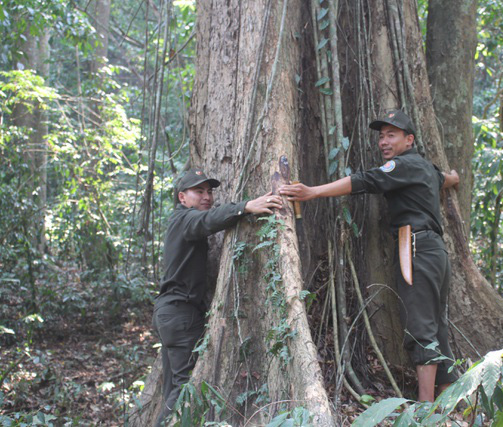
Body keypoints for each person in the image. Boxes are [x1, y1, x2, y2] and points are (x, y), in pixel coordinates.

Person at [279, 109, 460, 402]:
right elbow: (445, 178)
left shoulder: (400, 166)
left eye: (391, 135)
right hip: (436, 251)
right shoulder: (425, 168)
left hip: (414, 248)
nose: (383, 142)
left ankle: (427, 410)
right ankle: (449, 405)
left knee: (421, 327)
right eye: (381, 136)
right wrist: (454, 177)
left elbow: (363, 181)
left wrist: (313, 192)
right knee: (437, 326)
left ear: (409, 139)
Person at [152, 168, 282, 426]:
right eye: (198, 191)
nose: (207, 196)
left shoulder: (181, 220)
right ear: (182, 197)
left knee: (173, 390)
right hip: (180, 315)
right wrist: (246, 206)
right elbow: (207, 221)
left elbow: (208, 218)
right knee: (183, 389)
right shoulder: (185, 219)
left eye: (209, 191)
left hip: (170, 314)